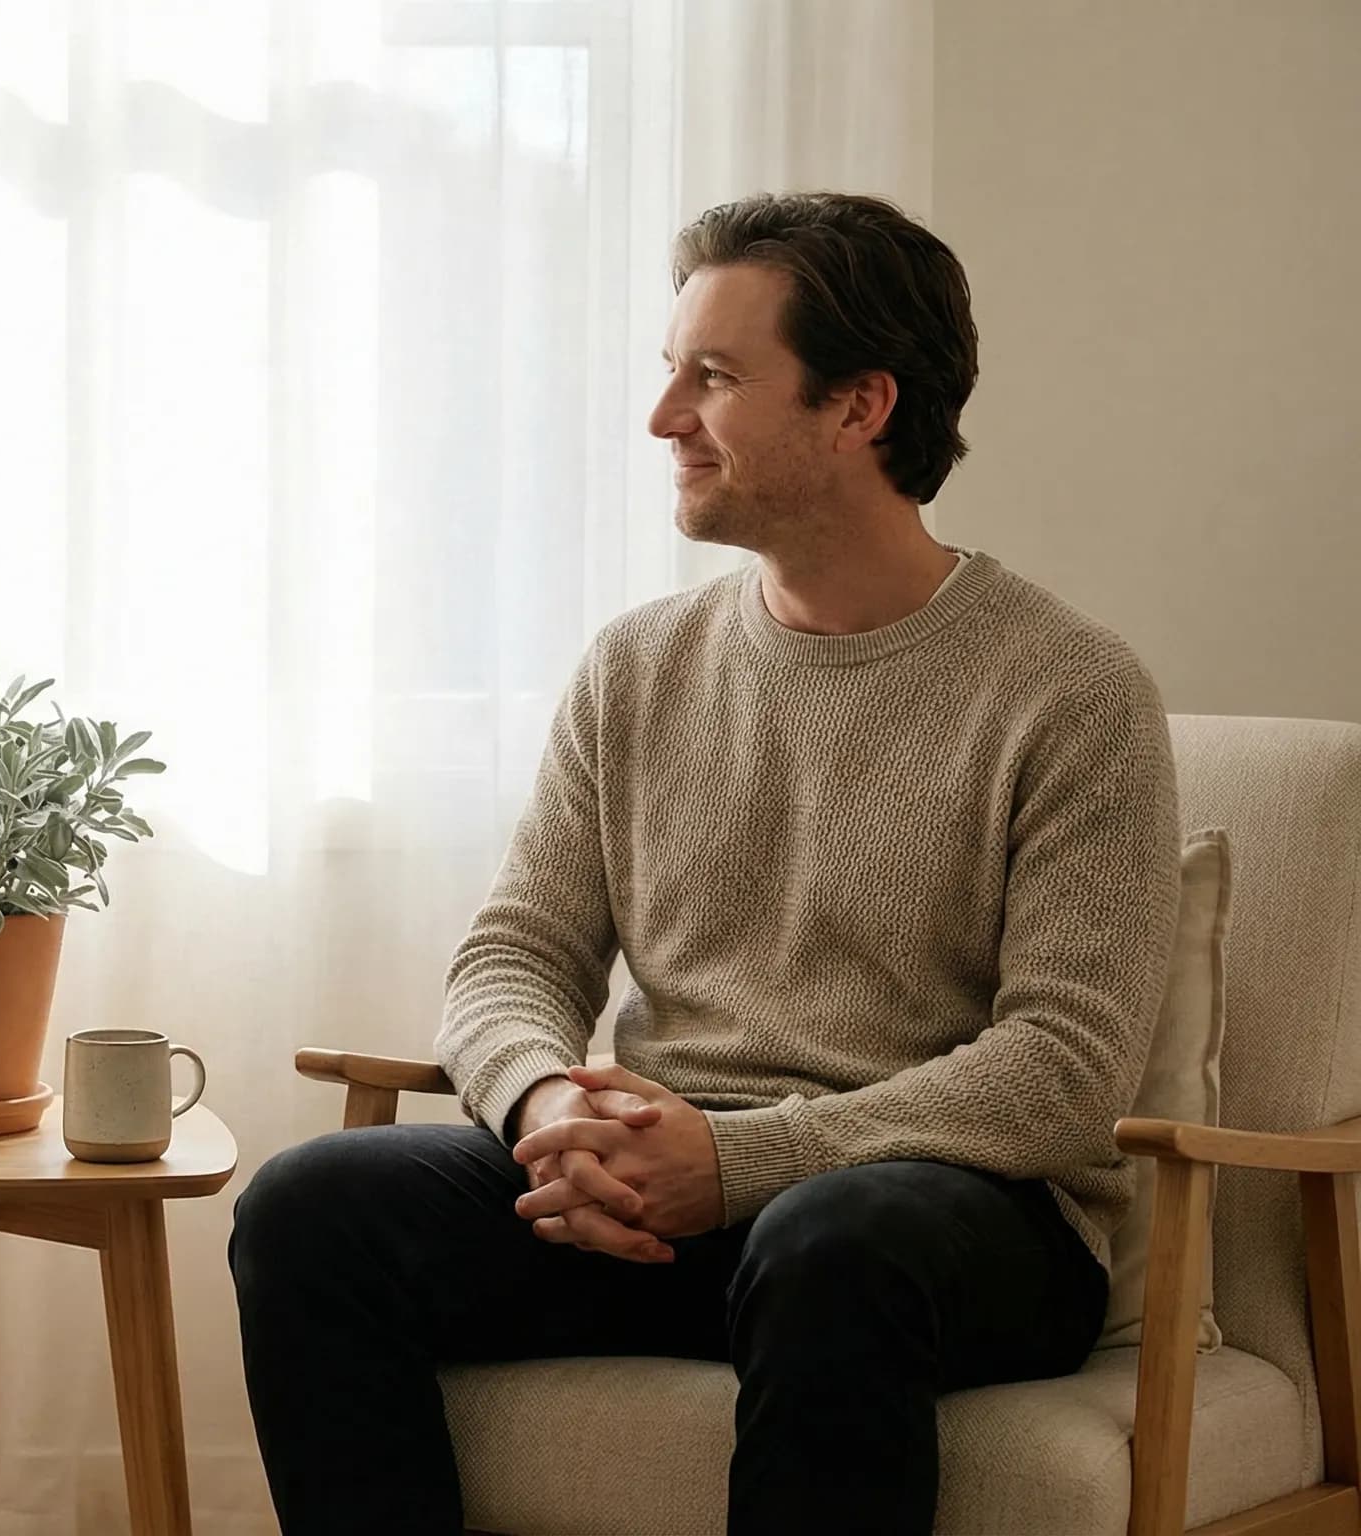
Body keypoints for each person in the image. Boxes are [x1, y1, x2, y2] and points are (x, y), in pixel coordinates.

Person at [229, 192, 1181, 1534]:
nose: (664, 415)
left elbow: (1065, 1072)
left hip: (944, 1224)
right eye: (670, 370)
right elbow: (515, 954)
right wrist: (544, 1107)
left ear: (859, 406)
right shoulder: (638, 665)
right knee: (311, 1208)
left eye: (716, 378)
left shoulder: (1072, 692)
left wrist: (740, 1161)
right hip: (658, 1195)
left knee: (833, 1245)